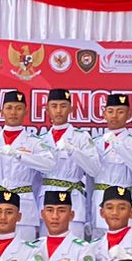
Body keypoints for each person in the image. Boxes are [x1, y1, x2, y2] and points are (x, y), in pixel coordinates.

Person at [0, 90, 56, 241]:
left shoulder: (34, 142)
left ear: (26, 112)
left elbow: (49, 164)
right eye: (9, 108)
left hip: (24, 206)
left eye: (18, 108)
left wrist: (20, 155)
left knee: (25, 251)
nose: (13, 112)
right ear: (1, 111)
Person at [35, 88, 99, 237]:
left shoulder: (81, 137)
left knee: (73, 246)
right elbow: (35, 180)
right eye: (54, 106)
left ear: (71, 109)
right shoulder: (41, 139)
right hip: (46, 200)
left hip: (73, 199)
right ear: (47, 109)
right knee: (47, 246)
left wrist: (73, 150)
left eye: (63, 106)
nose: (58, 111)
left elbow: (94, 169)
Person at [88, 94, 132, 226]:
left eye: (120, 112)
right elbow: (89, 180)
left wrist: (118, 145)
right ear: (104, 114)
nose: (114, 116)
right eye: (110, 111)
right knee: (100, 237)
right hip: (99, 197)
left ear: (128, 115)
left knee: (125, 236)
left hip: (123, 197)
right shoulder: (96, 142)